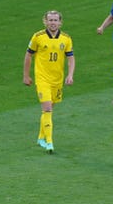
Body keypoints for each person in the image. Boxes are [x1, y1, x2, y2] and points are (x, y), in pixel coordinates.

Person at [23, 10, 75, 154]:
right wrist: (26, 76)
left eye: (55, 20)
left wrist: (70, 75)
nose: (53, 23)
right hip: (42, 79)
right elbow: (28, 55)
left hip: (57, 80)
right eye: (50, 20)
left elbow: (70, 57)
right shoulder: (38, 37)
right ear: (45, 21)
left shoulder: (66, 39)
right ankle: (49, 142)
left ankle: (40, 137)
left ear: (60, 22)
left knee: (49, 108)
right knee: (47, 109)